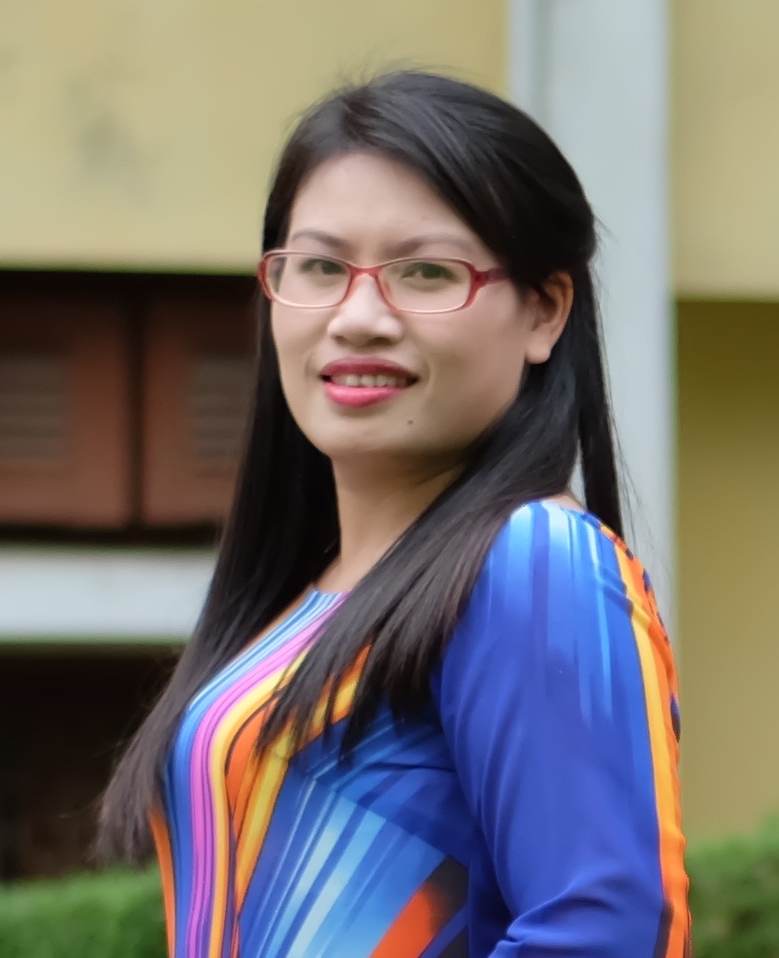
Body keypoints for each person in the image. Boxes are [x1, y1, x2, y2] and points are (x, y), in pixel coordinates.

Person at [100, 69, 690, 957]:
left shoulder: (534, 562)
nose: (359, 318)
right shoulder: (300, 600)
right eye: (320, 268)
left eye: (425, 273)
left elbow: (604, 933)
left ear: (544, 312)